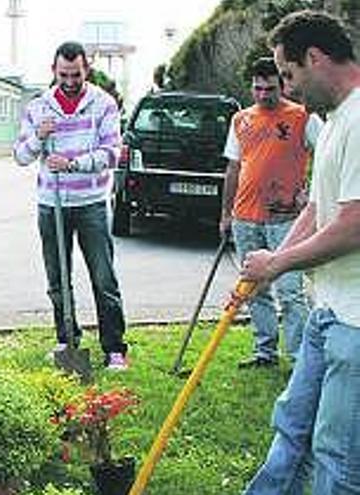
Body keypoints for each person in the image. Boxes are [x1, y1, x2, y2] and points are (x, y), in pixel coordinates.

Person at [241, 10, 360, 494]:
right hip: (327, 310)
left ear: (315, 58)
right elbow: (318, 208)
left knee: (336, 454)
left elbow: (353, 226)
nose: (287, 89)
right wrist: (269, 270)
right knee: (291, 428)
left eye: (289, 74)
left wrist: (280, 260)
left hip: (356, 324)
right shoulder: (333, 122)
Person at [13, 41, 128, 370]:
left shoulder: (103, 104)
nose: (70, 80)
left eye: (76, 74)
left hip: (91, 202)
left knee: (103, 278)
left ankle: (115, 348)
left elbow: (110, 154)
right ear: (54, 71)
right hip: (52, 204)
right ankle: (68, 341)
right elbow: (21, 155)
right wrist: (38, 136)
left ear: (85, 70)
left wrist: (73, 164)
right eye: (63, 74)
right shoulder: (39, 107)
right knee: (58, 279)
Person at [220, 56, 322, 368]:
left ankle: (298, 360)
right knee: (254, 289)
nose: (264, 95)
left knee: (289, 292)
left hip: (286, 219)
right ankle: (265, 352)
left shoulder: (304, 116)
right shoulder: (241, 120)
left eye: (270, 88)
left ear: (282, 84)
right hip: (246, 216)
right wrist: (226, 214)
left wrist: (312, 193)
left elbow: (329, 154)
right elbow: (234, 168)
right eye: (258, 88)